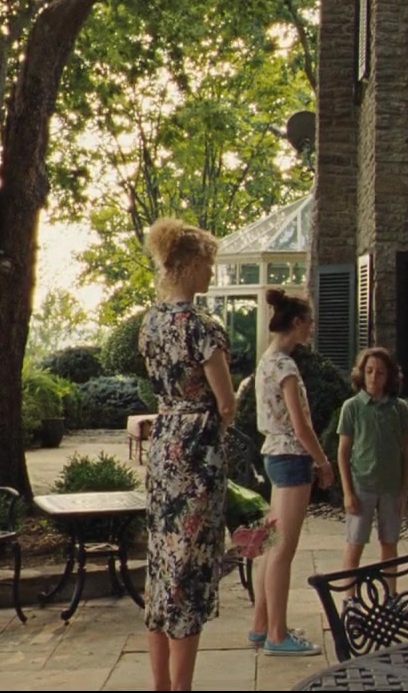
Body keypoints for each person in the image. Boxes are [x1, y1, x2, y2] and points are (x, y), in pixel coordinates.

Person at [139, 218, 238, 692]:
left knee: (162, 567)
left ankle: (161, 686)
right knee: (189, 571)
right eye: (209, 265)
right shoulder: (202, 326)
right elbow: (225, 403)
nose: (212, 274)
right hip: (197, 453)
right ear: (191, 265)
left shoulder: (151, 322)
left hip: (163, 448)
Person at [246, 288, 332, 657]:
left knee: (270, 544)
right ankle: (278, 635)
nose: (311, 329)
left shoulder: (267, 360)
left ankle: (261, 625)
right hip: (292, 458)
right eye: (309, 322)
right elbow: (302, 425)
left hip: (274, 456)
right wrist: (323, 462)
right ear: (296, 323)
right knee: (283, 549)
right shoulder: (286, 366)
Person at [337, 346, 408, 572]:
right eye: (369, 371)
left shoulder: (399, 409)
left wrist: (403, 491)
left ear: (388, 376)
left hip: (390, 487)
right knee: (355, 544)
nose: (373, 377)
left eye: (380, 372)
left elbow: (405, 452)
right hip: (362, 487)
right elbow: (343, 452)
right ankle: (349, 597)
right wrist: (348, 492)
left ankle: (391, 596)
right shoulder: (352, 407)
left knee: (389, 544)